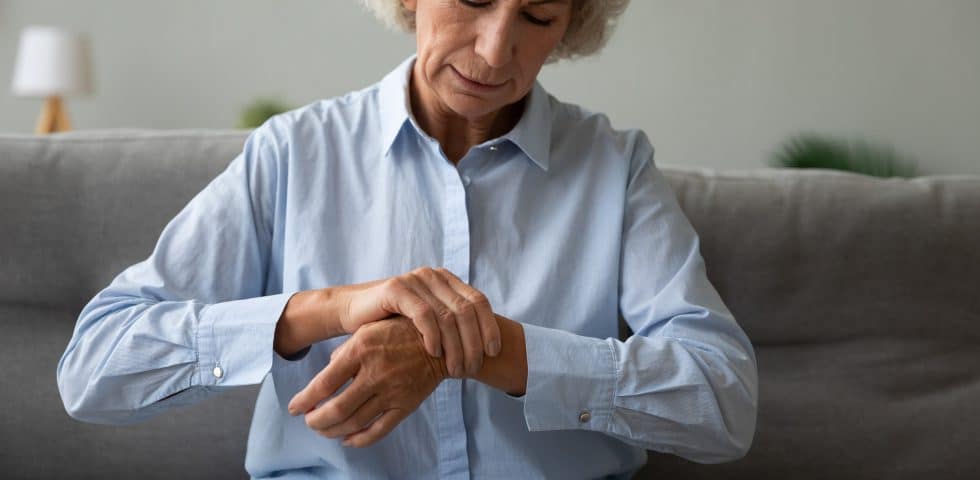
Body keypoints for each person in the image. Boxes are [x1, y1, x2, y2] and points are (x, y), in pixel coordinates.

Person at [57, 0, 758, 478]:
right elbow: (95, 368)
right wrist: (324, 310)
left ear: (571, 24)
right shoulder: (294, 154)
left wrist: (480, 350)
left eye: (538, 15)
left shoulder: (614, 166)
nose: (495, 50)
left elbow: (723, 403)